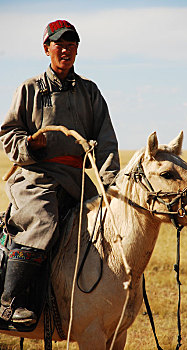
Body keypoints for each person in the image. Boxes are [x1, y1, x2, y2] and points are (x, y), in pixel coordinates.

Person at [0, 19, 120, 325]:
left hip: (77, 180)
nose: (66, 49)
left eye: (71, 44)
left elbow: (105, 141)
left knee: (105, 228)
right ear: (46, 49)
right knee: (43, 220)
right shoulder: (29, 90)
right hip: (36, 177)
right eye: (59, 44)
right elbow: (8, 135)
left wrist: (110, 188)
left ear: (77, 50)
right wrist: (28, 143)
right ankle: (10, 301)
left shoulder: (90, 92)